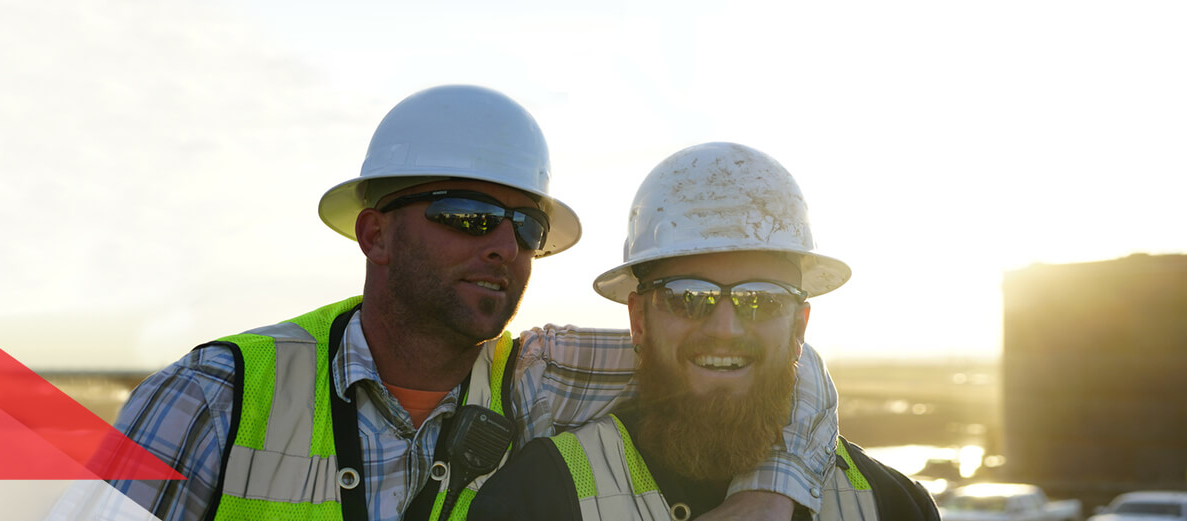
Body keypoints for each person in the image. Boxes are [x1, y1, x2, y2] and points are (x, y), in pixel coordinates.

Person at [97, 88, 842, 521]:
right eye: (466, 215)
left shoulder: (539, 378)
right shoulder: (210, 398)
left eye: (526, 227)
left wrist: (771, 495)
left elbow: (764, 354)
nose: (503, 247)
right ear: (375, 233)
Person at [468, 142, 940, 521]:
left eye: (763, 299)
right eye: (687, 296)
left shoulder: (893, 505)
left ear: (799, 327)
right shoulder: (538, 498)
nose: (725, 329)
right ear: (638, 321)